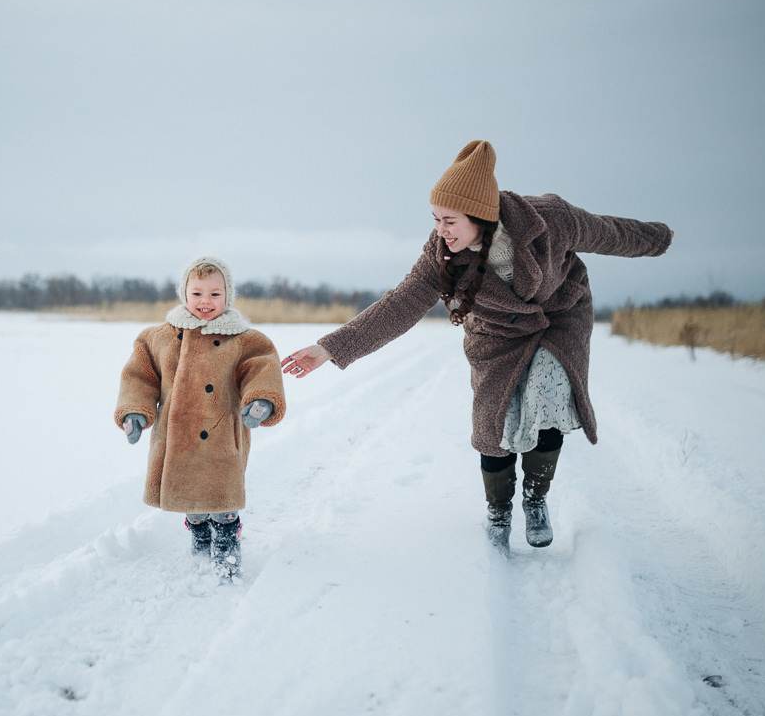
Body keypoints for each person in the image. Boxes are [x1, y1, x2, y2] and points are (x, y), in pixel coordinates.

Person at [280, 140, 673, 552]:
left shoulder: (550, 220)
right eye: (435, 219)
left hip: (559, 316)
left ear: (481, 215)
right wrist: (329, 348)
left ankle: (535, 499)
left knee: (548, 394)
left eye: (449, 220)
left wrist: (658, 237)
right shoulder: (441, 254)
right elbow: (401, 303)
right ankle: (499, 510)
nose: (440, 230)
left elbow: (607, 232)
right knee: (495, 425)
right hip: (495, 333)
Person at [116, 255, 286, 579]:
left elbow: (262, 368)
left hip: (221, 435)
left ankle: (226, 557)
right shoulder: (160, 337)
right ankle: (199, 545)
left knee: (222, 503)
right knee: (193, 506)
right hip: (178, 436)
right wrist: (134, 411)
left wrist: (261, 399)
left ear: (228, 296)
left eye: (214, 294)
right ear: (184, 293)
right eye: (197, 293)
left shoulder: (244, 340)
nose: (205, 301)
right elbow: (139, 376)